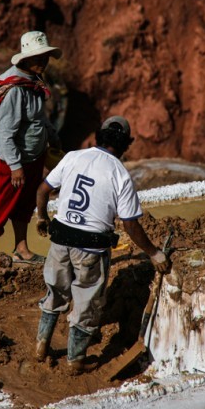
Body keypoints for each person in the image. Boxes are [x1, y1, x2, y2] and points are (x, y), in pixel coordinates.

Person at [34, 116, 170, 374]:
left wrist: (42, 217)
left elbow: (42, 190)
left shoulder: (73, 156)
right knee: (86, 302)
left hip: (60, 238)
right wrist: (154, 253)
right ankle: (75, 361)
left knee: (56, 291)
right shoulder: (120, 174)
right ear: (125, 145)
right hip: (91, 247)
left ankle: (41, 344)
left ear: (99, 135)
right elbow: (130, 225)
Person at [0, 30, 62, 267]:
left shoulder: (33, 81)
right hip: (13, 161)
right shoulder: (15, 89)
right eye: (39, 57)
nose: (44, 62)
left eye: (45, 57)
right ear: (25, 59)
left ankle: (21, 248)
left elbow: (38, 119)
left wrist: (52, 136)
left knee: (25, 202)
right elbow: (6, 134)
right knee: (3, 202)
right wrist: (15, 166)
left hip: (33, 156)